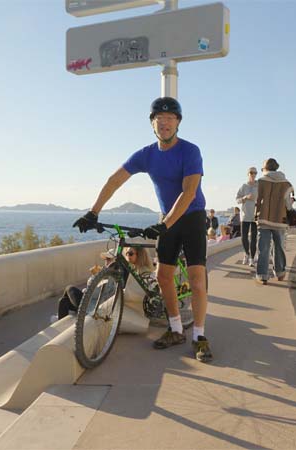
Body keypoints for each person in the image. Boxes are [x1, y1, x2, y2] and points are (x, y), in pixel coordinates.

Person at [72, 97, 212, 363]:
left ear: (178, 123)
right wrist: (93, 212)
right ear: (152, 124)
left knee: (196, 279)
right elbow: (115, 180)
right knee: (163, 277)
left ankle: (199, 336)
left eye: (170, 119)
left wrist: (165, 224)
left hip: (191, 217)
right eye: (160, 119)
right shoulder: (146, 154)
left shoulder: (190, 151)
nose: (165, 123)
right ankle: (175, 329)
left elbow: (189, 192)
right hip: (167, 219)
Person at [254, 158, 293, 285]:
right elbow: (288, 204)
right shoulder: (286, 183)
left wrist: (256, 215)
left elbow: (257, 200)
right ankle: (280, 272)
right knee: (279, 247)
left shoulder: (261, 182)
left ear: (265, 169)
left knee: (263, 248)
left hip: (264, 218)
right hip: (280, 219)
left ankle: (262, 275)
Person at [236, 167, 258, 266]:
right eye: (251, 173)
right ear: (248, 174)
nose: (253, 175)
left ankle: (252, 258)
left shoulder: (259, 186)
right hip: (245, 215)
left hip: (255, 215)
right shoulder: (243, 186)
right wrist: (245, 197)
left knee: (254, 238)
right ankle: (247, 253)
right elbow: (237, 200)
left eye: (255, 173)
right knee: (244, 237)